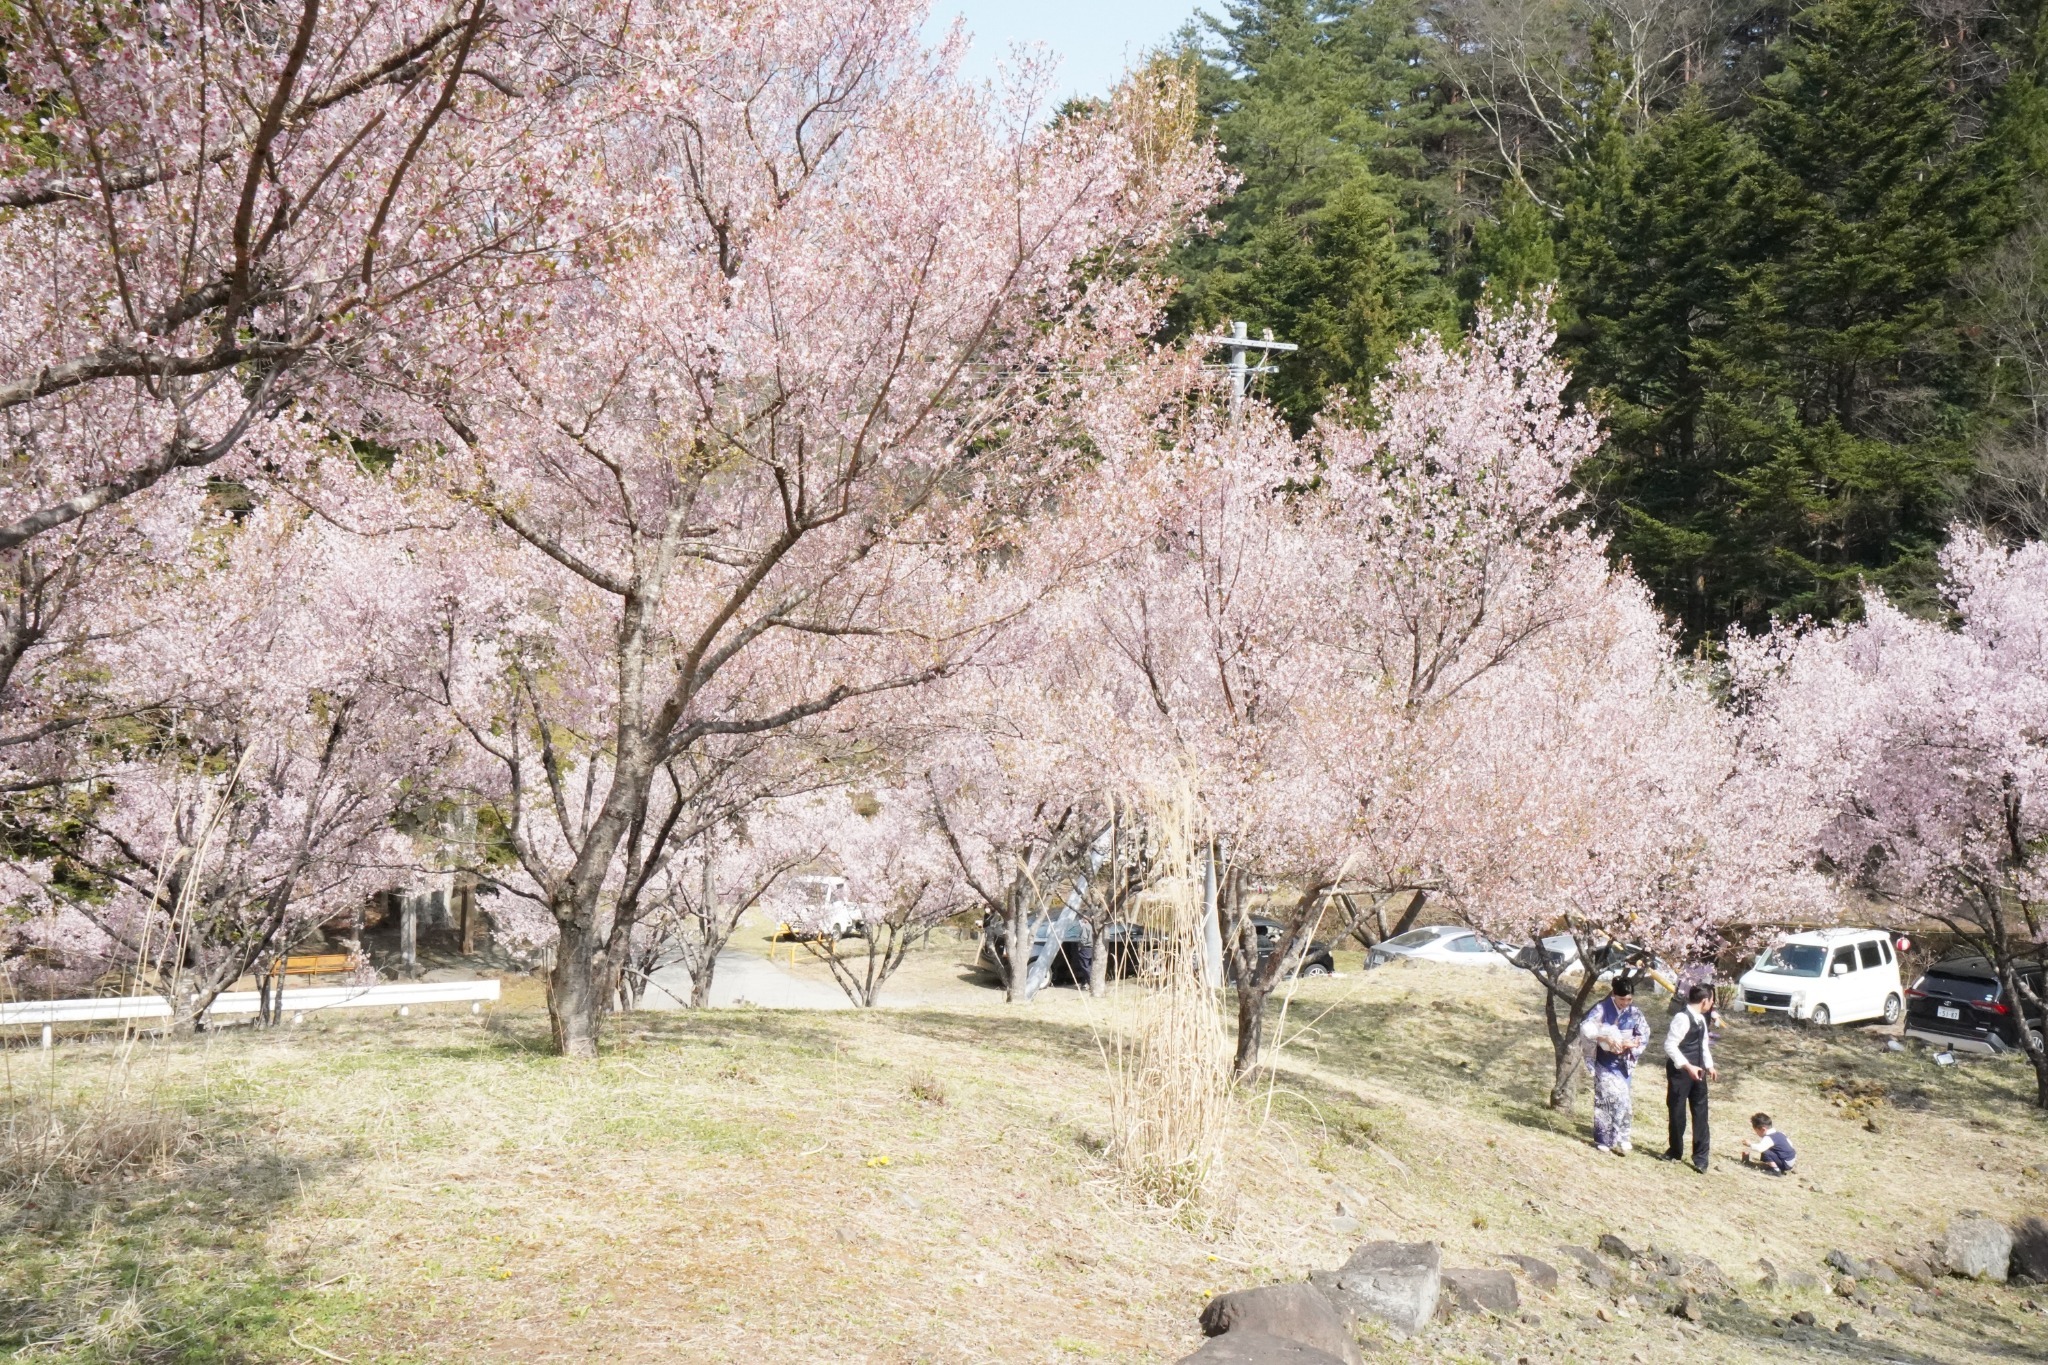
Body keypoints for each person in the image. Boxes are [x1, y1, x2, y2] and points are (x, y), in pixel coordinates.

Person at [1579, 976, 1651, 1155]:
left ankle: (1622, 1137)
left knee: (1623, 1100)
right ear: (1614, 995)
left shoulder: (1635, 1013)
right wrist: (1604, 1038)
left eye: (1629, 999)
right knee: (1605, 1098)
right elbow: (1587, 1027)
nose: (1625, 1003)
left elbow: (1643, 1034)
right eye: (1622, 999)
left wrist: (1631, 1044)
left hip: (1623, 1063)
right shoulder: (1602, 1008)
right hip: (1605, 1060)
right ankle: (1604, 1139)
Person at [1664, 982, 1718, 1172]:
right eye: (1711, 1000)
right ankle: (1675, 1150)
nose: (1712, 1004)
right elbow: (1670, 1045)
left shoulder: (1702, 1019)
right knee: (1677, 1111)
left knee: (1701, 1112)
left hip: (1699, 1071)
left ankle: (1701, 1157)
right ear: (1705, 1001)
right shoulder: (1682, 1018)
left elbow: (1703, 1045)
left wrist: (1709, 1065)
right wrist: (1687, 1066)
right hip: (1681, 1072)